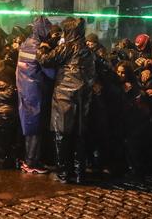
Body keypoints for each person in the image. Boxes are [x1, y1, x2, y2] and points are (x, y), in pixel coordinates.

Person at [36, 17, 96, 184]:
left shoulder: (67, 47)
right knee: (79, 135)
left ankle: (63, 173)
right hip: (83, 96)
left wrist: (43, 47)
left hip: (65, 95)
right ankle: (79, 173)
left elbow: (45, 60)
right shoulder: (88, 50)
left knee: (61, 135)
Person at [16, 16, 54, 174]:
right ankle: (32, 162)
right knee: (35, 126)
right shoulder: (38, 48)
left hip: (24, 89)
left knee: (28, 125)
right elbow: (50, 72)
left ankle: (29, 159)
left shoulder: (25, 44)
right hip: (35, 91)